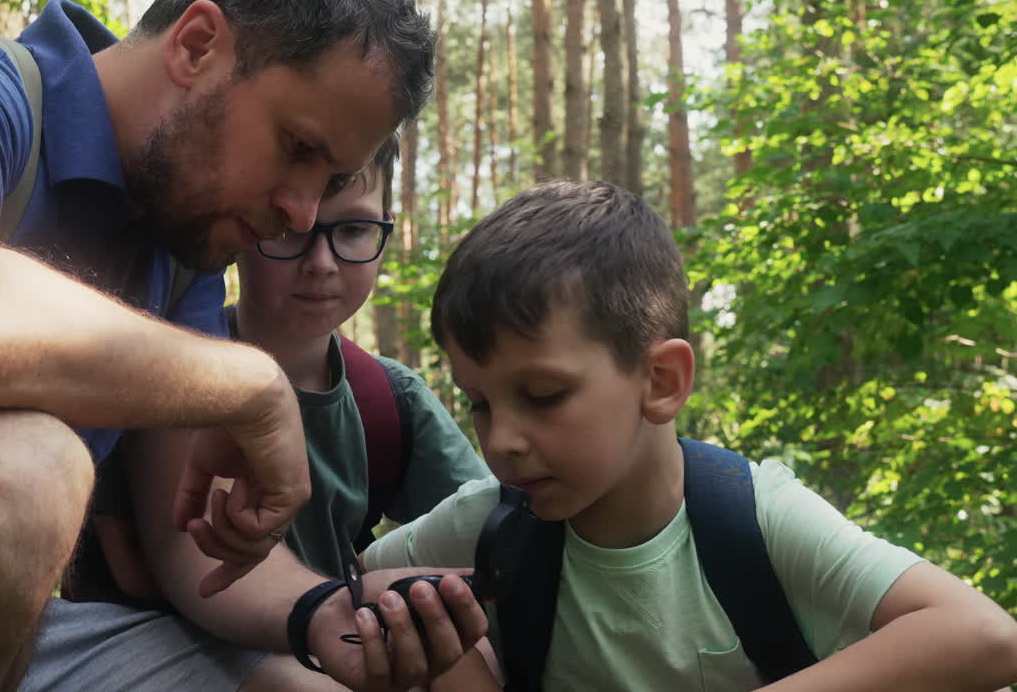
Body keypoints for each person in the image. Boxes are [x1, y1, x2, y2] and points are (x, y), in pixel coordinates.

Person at [0, 0, 486, 690]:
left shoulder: (178, 250)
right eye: (298, 149)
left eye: (328, 184)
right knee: (20, 472)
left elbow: (186, 536)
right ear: (196, 46)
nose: (299, 211)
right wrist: (250, 385)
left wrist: (318, 613)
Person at [359, 180, 1017, 691]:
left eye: (543, 396)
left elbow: (984, 635)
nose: (501, 441)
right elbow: (341, 588)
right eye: (478, 404)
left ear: (662, 380)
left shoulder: (753, 520)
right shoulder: (487, 530)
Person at [70, 137, 490, 690]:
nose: (322, 264)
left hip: (335, 643)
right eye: (293, 232)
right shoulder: (169, 366)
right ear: (246, 229)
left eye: (354, 230)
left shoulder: (391, 399)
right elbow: (134, 567)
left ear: (387, 229)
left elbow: (492, 525)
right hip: (172, 650)